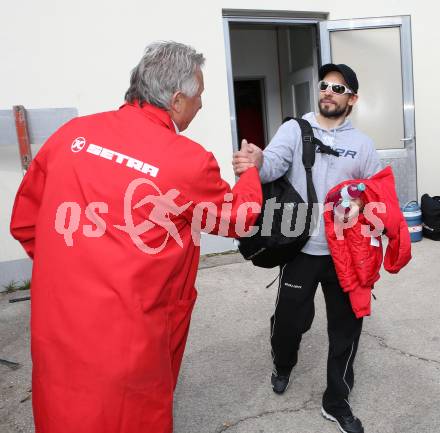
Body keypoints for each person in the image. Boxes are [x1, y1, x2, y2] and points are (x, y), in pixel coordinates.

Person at [10, 41, 262, 433]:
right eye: (199, 97)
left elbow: (26, 223)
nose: (201, 106)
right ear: (177, 101)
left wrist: (67, 270)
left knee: (62, 413)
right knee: (127, 417)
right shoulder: (186, 161)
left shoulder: (71, 136)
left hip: (57, 325)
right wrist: (249, 174)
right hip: (129, 336)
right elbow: (240, 219)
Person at [233, 64, 382, 433]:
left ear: (353, 99)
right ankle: (283, 363)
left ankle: (336, 399)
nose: (329, 91)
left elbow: (376, 192)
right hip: (300, 247)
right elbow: (270, 166)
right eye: (325, 85)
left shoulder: (362, 145)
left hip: (345, 254)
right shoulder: (295, 130)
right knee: (289, 322)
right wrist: (255, 161)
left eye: (339, 87)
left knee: (346, 329)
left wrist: (364, 204)